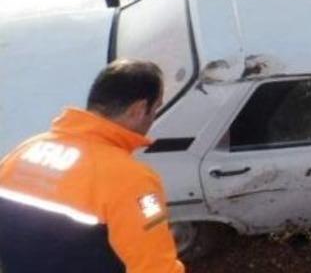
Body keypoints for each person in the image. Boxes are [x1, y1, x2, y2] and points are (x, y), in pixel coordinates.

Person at [0, 59, 185, 273]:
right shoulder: (133, 181)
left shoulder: (26, 150)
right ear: (139, 109)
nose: (154, 117)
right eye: (156, 108)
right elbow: (155, 267)